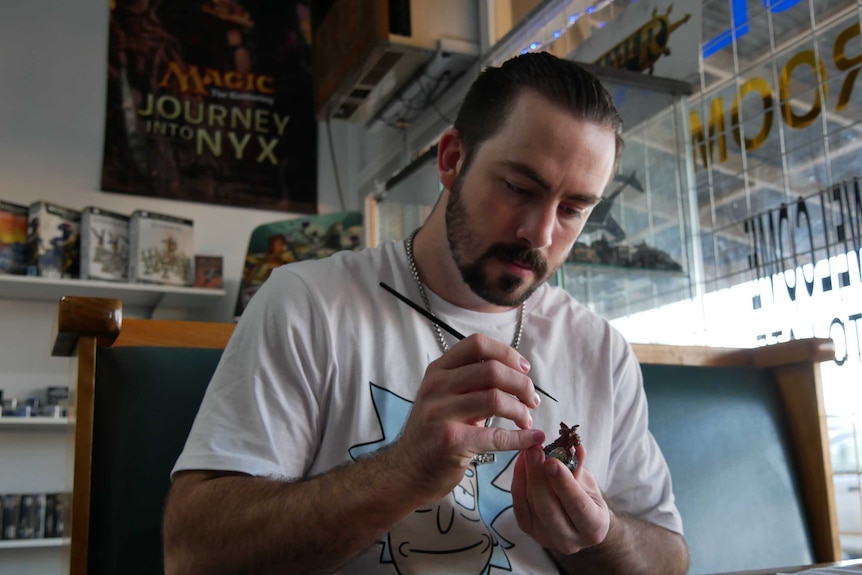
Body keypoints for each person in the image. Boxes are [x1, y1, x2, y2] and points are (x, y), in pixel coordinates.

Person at [163, 51, 690, 574]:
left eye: (574, 209)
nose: (541, 233)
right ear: (451, 159)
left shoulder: (601, 350)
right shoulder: (308, 303)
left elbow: (668, 559)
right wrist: (401, 473)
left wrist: (600, 536)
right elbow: (193, 554)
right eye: (518, 188)